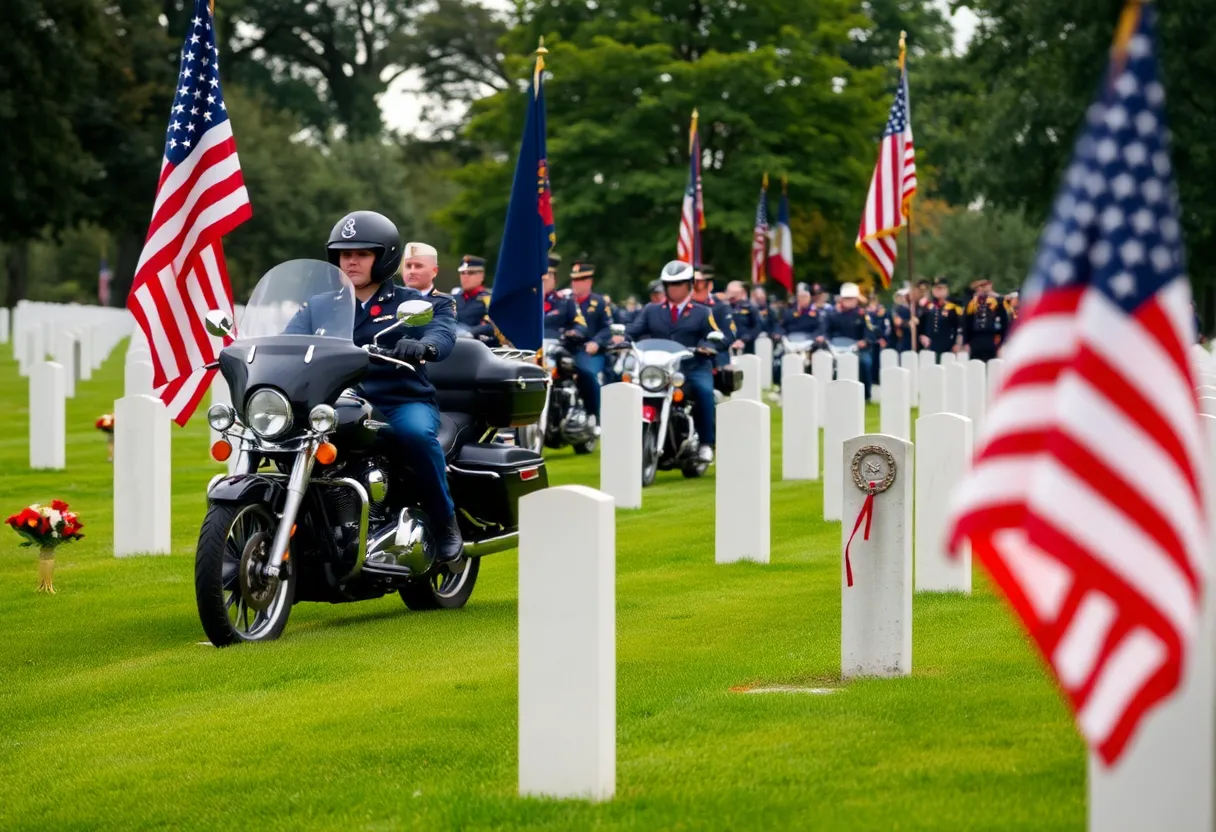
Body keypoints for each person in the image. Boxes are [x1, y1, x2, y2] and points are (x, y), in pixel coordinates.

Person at [285, 211, 463, 567]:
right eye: (344, 253)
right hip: (335, 402)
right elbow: (287, 342)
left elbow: (442, 332)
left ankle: (445, 522)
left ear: (384, 258)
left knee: (414, 435)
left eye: (362, 253)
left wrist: (423, 346)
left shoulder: (413, 303)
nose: (350, 261)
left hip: (399, 398)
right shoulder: (320, 306)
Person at [626, 260, 722, 462]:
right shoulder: (652, 310)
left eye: (678, 284)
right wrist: (620, 338)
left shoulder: (702, 312)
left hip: (692, 367)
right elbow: (634, 330)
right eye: (670, 285)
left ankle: (706, 443)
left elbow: (715, 334)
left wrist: (709, 346)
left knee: (704, 391)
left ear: (689, 285)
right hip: (658, 369)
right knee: (629, 388)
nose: (674, 289)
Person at [569, 259, 621, 422]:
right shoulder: (565, 301)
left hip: (589, 351)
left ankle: (595, 415)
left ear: (589, 281)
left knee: (588, 374)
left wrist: (596, 342)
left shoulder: (598, 303)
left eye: (580, 280)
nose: (575, 284)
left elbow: (607, 328)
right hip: (567, 349)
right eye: (574, 280)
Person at [826, 282, 875, 400]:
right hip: (836, 347)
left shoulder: (862, 315)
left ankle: (866, 394)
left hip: (857, 348)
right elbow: (826, 331)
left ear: (856, 299)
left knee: (865, 362)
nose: (849, 301)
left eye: (851, 298)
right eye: (846, 298)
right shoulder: (833, 314)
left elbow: (869, 332)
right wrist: (826, 340)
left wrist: (864, 341)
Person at [450, 254, 498, 344]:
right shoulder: (452, 299)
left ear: (481, 275)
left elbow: (492, 325)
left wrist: (471, 333)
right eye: (462, 273)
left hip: (476, 347)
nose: (465, 277)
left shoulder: (489, 300)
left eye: (470, 273)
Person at [962, 277, 1008, 361]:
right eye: (979, 286)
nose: (981, 289)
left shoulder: (997, 302)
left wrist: (1002, 342)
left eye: (985, 285)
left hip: (992, 339)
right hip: (975, 339)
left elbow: (1004, 322)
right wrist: (966, 342)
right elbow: (966, 323)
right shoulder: (972, 303)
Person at [918, 276, 963, 357]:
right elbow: (921, 323)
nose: (937, 291)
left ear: (946, 289)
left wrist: (957, 343)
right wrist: (922, 335)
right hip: (930, 345)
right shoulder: (928, 305)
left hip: (948, 345)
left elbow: (960, 326)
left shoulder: (954, 306)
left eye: (940, 288)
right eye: (935, 288)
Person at [725, 280, 762, 354]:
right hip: (726, 346)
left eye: (735, 293)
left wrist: (744, 339)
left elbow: (757, 326)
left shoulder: (750, 308)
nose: (732, 296)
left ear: (742, 293)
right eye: (730, 293)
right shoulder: (723, 308)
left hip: (746, 346)